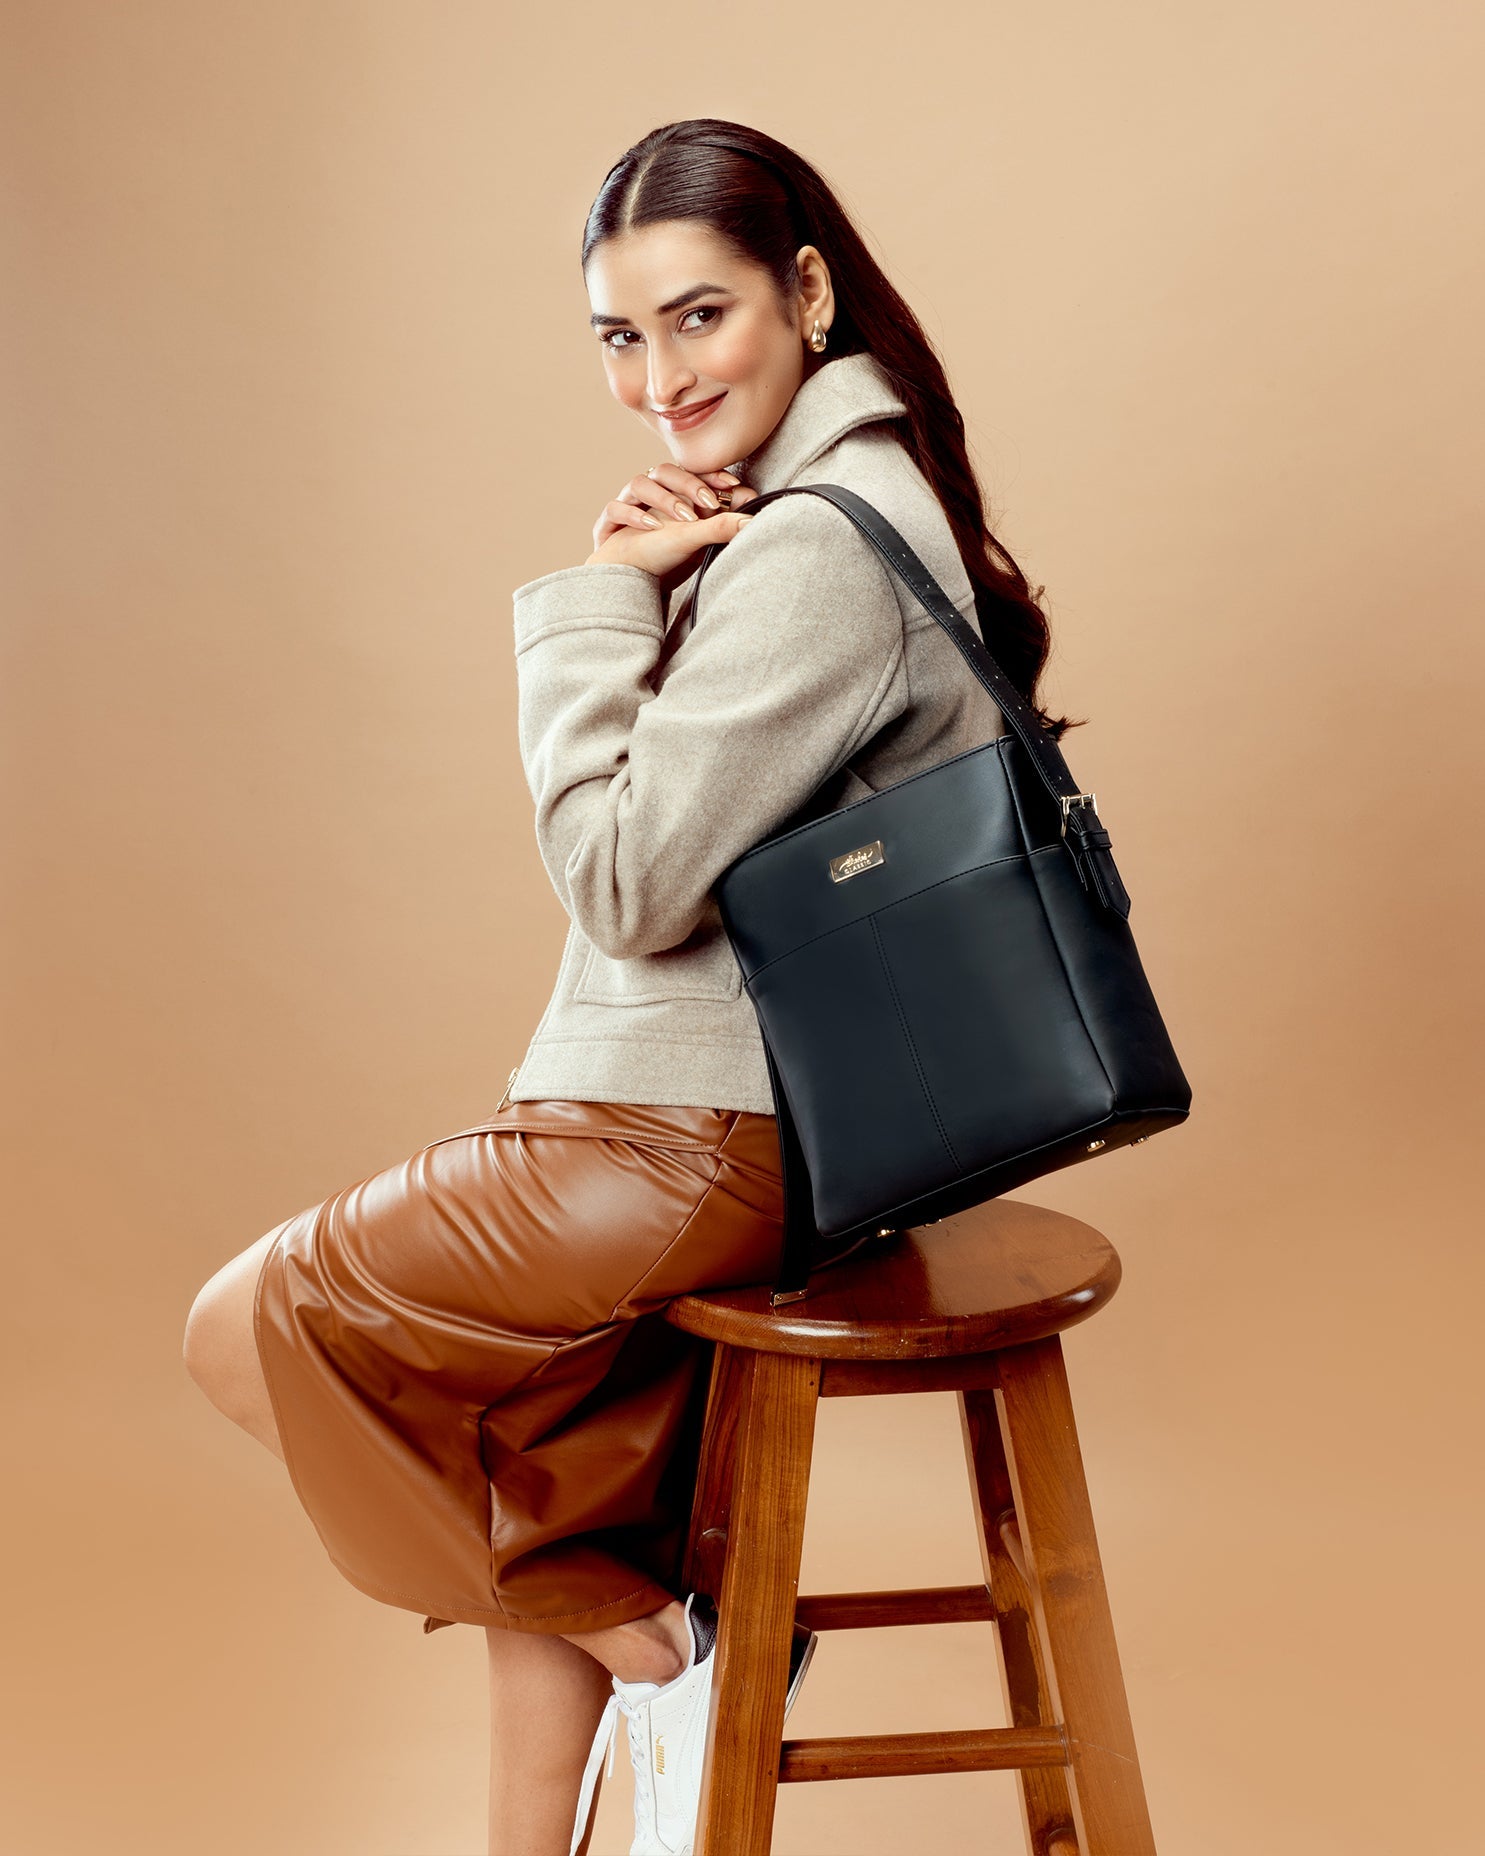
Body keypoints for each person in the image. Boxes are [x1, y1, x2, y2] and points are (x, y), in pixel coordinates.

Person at [181, 116, 1075, 1856]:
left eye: (699, 318)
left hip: (689, 1139)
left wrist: (591, 606)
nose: (658, 378)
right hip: (753, 1135)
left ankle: (662, 1644)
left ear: (804, 295)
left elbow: (625, 877)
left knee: (245, 1333)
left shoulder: (819, 546)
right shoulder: (839, 508)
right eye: (618, 335)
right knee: (544, 1477)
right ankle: (614, 1666)